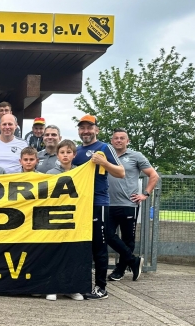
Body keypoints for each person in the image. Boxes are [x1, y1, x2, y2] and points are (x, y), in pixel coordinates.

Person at [72, 114, 125, 300]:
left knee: (99, 246)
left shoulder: (104, 148)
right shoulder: (76, 151)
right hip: (80, 205)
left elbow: (121, 172)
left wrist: (104, 163)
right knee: (82, 246)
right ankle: (83, 284)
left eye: (89, 127)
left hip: (98, 203)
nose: (86, 131)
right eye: (82, 128)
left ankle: (101, 287)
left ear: (96, 129)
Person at [107, 128, 159, 282]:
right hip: (108, 204)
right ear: (111, 141)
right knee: (107, 235)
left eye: (122, 138)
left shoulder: (136, 156)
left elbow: (153, 175)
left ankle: (120, 270)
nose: (119, 140)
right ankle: (134, 260)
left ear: (127, 141)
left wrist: (145, 194)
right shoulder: (106, 156)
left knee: (128, 239)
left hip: (129, 204)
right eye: (116, 138)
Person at [43, 140, 83, 301]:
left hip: (73, 219)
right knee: (53, 253)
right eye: (62, 152)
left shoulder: (81, 173)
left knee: (71, 253)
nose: (65, 155)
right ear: (57, 155)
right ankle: (52, 286)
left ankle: (71, 287)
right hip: (54, 218)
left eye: (68, 152)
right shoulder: (51, 174)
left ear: (74, 155)